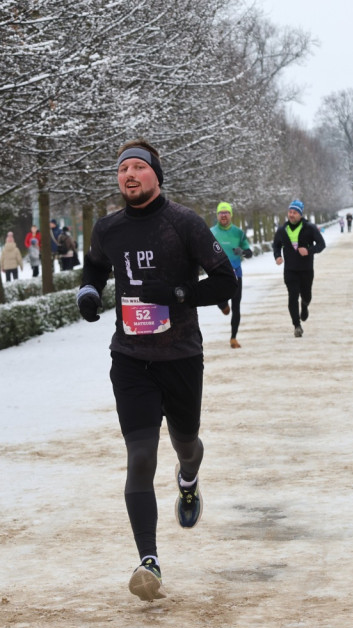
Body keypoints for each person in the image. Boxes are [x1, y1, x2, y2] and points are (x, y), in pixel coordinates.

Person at [75, 139, 236, 602]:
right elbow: (94, 271)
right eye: (122, 168)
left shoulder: (183, 223)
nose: (128, 174)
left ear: (156, 176)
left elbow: (225, 280)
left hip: (182, 355)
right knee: (141, 455)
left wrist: (179, 294)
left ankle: (188, 481)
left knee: (186, 443)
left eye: (138, 168)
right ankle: (149, 561)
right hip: (130, 358)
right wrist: (89, 293)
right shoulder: (108, 229)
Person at [273, 199, 325, 338]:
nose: (291, 215)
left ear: (300, 214)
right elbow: (276, 245)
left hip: (306, 269)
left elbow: (321, 244)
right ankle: (297, 325)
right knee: (292, 296)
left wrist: (309, 250)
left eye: (295, 212)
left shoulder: (310, 228)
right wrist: (277, 256)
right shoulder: (282, 230)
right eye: (290, 212)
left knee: (306, 295)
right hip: (290, 270)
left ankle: (305, 304)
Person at [210, 201, 252, 348]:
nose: (223, 215)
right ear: (217, 215)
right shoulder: (211, 232)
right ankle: (222, 306)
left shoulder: (238, 233)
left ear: (231, 215)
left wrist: (242, 252)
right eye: (221, 213)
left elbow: (249, 252)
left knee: (236, 306)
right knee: (220, 300)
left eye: (226, 212)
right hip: (217, 274)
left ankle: (233, 338)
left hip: (235, 274)